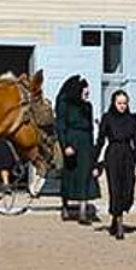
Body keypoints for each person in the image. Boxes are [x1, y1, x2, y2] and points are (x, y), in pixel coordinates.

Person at [94, 89, 136, 239]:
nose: (122, 106)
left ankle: (115, 218)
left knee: (128, 190)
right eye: (119, 103)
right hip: (113, 155)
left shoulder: (132, 119)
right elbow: (100, 141)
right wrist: (94, 162)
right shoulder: (107, 118)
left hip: (128, 154)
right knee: (116, 190)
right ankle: (120, 225)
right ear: (114, 103)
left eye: (124, 103)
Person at [55, 74, 100, 223]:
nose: (87, 94)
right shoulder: (65, 104)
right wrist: (65, 145)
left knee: (85, 174)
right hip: (72, 140)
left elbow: (91, 128)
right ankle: (65, 207)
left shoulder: (88, 106)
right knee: (70, 175)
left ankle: (82, 211)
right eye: (85, 91)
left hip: (85, 143)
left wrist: (93, 149)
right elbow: (61, 126)